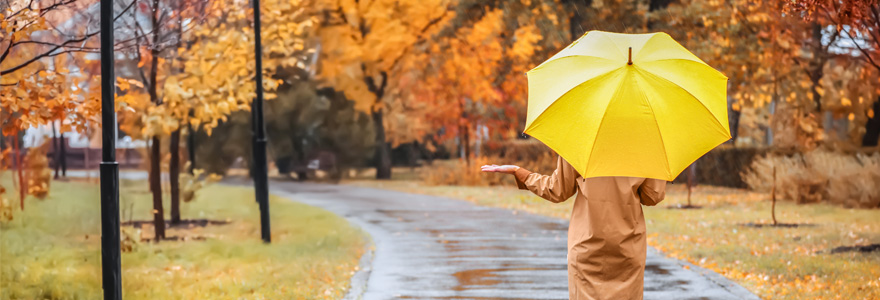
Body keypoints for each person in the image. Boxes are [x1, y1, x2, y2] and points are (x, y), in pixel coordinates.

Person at [482, 156, 666, 300]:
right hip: (628, 247)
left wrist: (520, 172)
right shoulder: (644, 145)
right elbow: (653, 196)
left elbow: (557, 189)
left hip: (587, 246)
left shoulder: (581, 139)